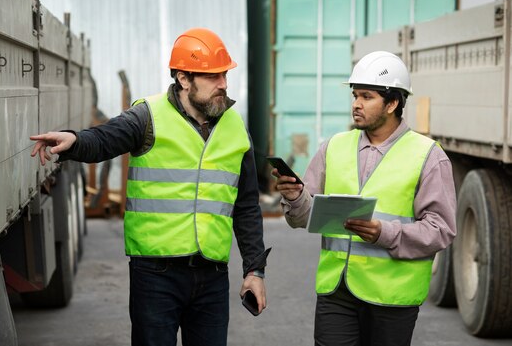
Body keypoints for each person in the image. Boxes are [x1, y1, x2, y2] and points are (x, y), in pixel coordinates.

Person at [30, 27, 270, 346]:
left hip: (212, 277)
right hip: (156, 277)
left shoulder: (236, 127)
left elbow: (246, 206)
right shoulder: (149, 117)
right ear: (184, 79)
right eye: (213, 76)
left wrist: (255, 270)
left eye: (224, 75)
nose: (223, 84)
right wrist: (75, 141)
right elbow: (106, 138)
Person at [273, 51, 456, 346]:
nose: (356, 104)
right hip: (336, 292)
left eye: (367, 97)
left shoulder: (428, 156)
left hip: (392, 298)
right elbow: (304, 218)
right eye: (355, 95)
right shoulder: (333, 147)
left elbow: (441, 229)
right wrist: (296, 198)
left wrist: (386, 233)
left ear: (392, 103)